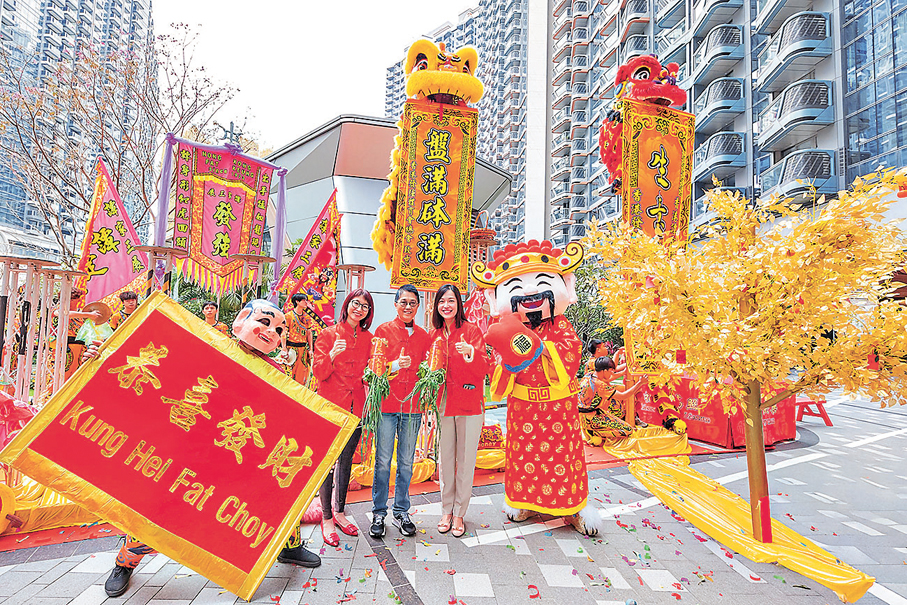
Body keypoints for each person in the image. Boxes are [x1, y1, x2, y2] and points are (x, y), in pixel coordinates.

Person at [100, 299, 322, 597]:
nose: (272, 332)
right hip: (191, 448)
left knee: (279, 495)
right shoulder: (208, 347)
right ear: (240, 322)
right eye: (265, 322)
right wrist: (102, 356)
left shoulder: (275, 372)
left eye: (279, 329)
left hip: (240, 450)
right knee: (160, 506)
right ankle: (125, 561)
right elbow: (162, 369)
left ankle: (290, 546)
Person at [369, 285, 431, 539]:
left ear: (418, 306)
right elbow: (373, 368)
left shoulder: (425, 336)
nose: (408, 306)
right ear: (395, 304)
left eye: (412, 302)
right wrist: (393, 365)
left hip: (413, 407)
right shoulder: (383, 331)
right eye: (403, 302)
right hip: (387, 406)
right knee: (383, 461)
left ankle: (402, 510)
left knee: (406, 462)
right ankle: (379, 512)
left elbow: (430, 368)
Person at [313, 288, 374, 546]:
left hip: (356, 406)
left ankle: (340, 511)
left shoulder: (370, 338)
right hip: (331, 406)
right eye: (355, 303)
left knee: (346, 459)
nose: (358, 309)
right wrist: (332, 355)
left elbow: (371, 373)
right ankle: (327, 516)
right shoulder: (328, 334)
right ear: (347, 305)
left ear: (368, 313)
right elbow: (318, 372)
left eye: (364, 306)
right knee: (328, 462)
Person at [430, 284, 489, 538]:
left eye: (451, 301)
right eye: (442, 301)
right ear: (437, 306)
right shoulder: (433, 335)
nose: (446, 305)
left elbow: (485, 368)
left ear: (459, 304)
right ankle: (446, 509)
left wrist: (470, 354)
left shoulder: (472, 331)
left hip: (469, 404)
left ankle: (459, 513)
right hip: (443, 403)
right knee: (445, 459)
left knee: (465, 462)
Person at [281, 293, 314, 383]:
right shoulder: (288, 316)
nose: (306, 302)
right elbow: (284, 332)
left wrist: (311, 349)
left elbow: (309, 333)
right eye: (304, 300)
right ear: (297, 302)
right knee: (289, 372)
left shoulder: (307, 318)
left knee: (302, 374)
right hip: (291, 348)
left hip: (303, 349)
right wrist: (284, 348)